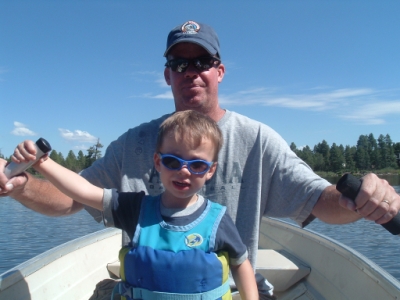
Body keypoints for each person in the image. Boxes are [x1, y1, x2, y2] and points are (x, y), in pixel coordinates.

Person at [1, 19, 400, 294]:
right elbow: (73, 197)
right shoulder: (134, 143)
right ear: (167, 75)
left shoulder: (257, 139)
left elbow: (320, 200)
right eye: (179, 63)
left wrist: (366, 198)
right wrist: (23, 183)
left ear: (220, 71)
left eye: (202, 62)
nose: (191, 71)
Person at [12, 110, 259, 299]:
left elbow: (241, 263)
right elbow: (83, 190)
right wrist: (41, 163)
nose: (184, 171)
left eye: (197, 165)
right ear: (158, 162)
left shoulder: (217, 220)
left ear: (210, 171)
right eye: (173, 161)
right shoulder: (135, 209)